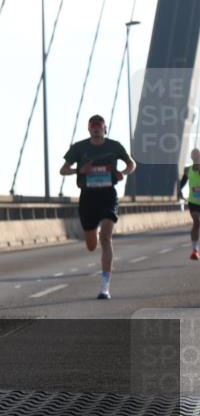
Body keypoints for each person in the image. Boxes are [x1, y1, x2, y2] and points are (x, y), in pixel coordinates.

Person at [60, 114, 136, 299]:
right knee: (91, 245)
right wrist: (79, 170)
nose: (96, 129)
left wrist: (123, 173)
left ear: (104, 129)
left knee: (106, 237)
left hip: (108, 194)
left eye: (99, 126)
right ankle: (92, 235)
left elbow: (131, 164)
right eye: (93, 126)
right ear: (89, 129)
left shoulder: (114, 146)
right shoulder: (79, 148)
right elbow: (62, 170)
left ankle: (104, 286)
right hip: (88, 197)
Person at [177, 148, 200, 261]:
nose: (196, 158)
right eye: (194, 156)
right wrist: (179, 191)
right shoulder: (187, 170)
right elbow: (182, 183)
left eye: (198, 156)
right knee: (196, 221)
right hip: (193, 201)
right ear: (191, 157)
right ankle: (195, 250)